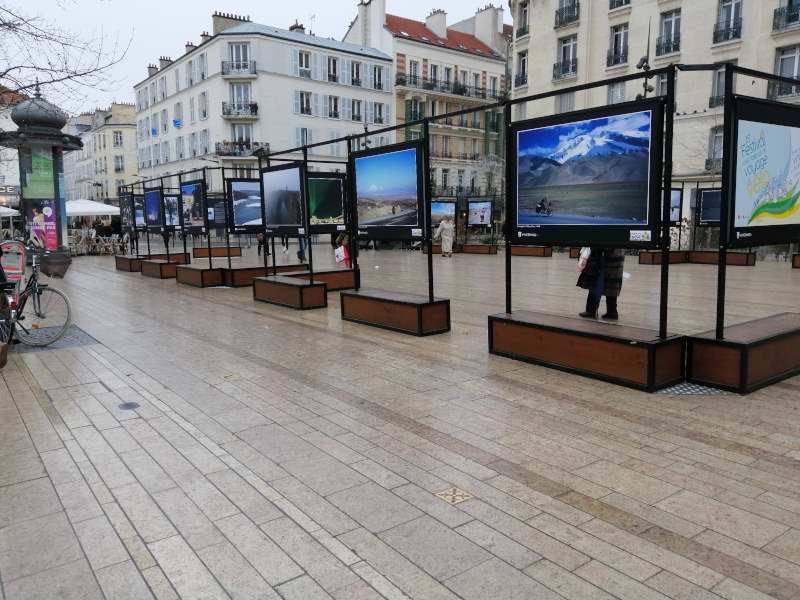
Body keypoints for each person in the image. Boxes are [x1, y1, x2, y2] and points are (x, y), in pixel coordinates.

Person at [577, 247, 624, 320]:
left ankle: (591, 311)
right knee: (611, 286)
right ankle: (612, 312)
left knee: (596, 283)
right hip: (615, 257)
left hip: (608, 259)